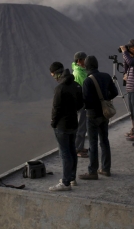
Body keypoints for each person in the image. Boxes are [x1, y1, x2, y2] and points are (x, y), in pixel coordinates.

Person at [79, 56, 118, 179]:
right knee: (104, 141)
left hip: (92, 115)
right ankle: (106, 169)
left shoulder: (87, 81)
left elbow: (85, 102)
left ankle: (92, 171)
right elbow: (115, 92)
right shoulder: (106, 76)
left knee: (93, 143)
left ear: (86, 66)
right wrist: (105, 99)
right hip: (104, 114)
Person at [48, 61, 84, 191]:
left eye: (53, 75)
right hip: (74, 123)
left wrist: (53, 122)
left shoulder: (59, 89)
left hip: (62, 126)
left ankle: (65, 183)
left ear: (57, 73)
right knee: (72, 151)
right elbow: (80, 104)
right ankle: (71, 178)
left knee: (65, 153)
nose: (54, 77)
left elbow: (56, 109)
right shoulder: (76, 85)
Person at [72, 51, 89, 158]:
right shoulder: (78, 73)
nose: (86, 61)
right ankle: (77, 149)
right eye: (84, 59)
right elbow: (86, 87)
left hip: (83, 103)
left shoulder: (81, 71)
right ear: (79, 61)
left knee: (83, 126)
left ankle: (80, 146)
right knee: (81, 126)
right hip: (82, 103)